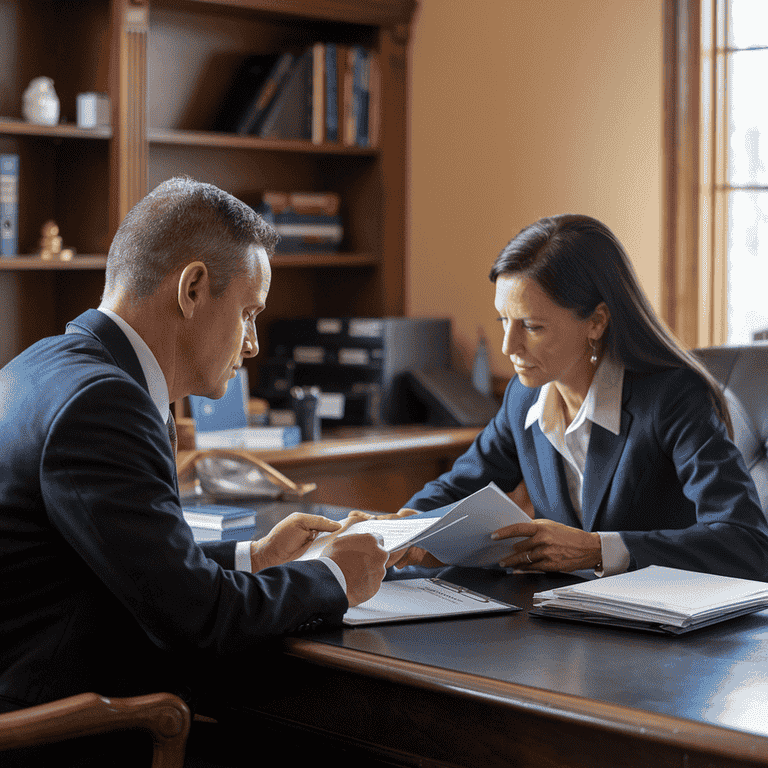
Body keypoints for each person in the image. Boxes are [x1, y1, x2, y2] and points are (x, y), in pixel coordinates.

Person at [0, 177, 389, 751]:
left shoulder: (48, 364)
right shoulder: (103, 404)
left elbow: (120, 564)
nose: (252, 343)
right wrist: (334, 577)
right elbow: (196, 621)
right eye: (249, 313)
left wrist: (252, 557)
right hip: (64, 735)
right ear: (193, 289)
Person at [395, 214, 768, 580]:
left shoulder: (673, 396)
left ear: (596, 321)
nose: (509, 346)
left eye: (531, 325)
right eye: (503, 321)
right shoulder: (524, 399)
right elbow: (456, 488)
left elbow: (746, 542)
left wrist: (597, 549)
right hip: (564, 622)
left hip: (663, 628)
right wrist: (395, 530)